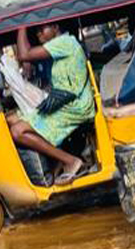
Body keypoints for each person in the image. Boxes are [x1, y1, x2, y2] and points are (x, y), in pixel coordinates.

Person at [12, 23, 95, 185]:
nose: (38, 35)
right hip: (63, 102)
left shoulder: (64, 43)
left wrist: (20, 24)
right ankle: (55, 164)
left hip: (75, 106)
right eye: (36, 31)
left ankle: (70, 161)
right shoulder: (60, 46)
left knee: (17, 131)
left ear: (56, 27)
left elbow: (24, 55)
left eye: (42, 30)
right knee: (11, 119)